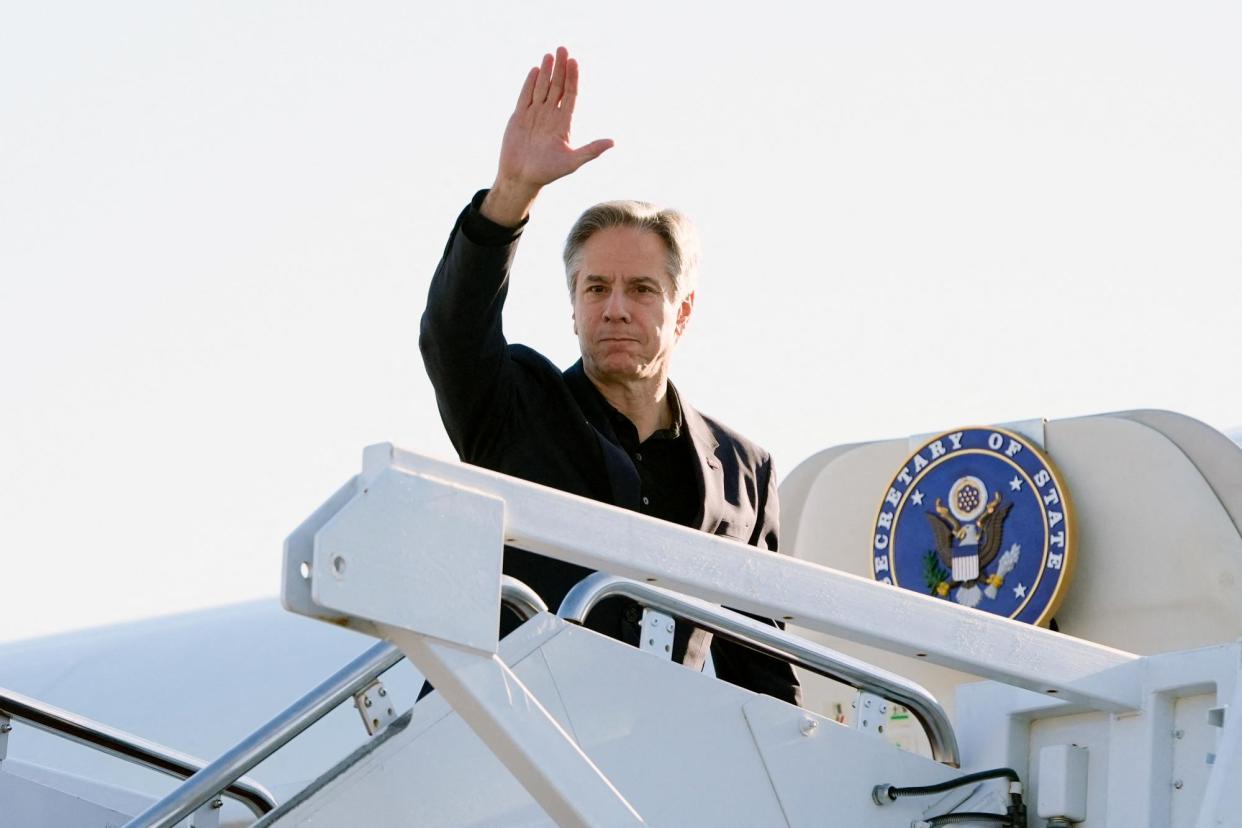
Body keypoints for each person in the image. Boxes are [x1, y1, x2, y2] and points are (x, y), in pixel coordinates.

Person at [420, 47, 799, 704]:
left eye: (641, 289)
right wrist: (512, 194)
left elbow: (760, 664)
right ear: (573, 307)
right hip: (508, 753)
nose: (616, 309)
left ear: (682, 312)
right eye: (596, 288)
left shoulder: (745, 469)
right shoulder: (515, 408)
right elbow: (452, 334)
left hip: (648, 766)